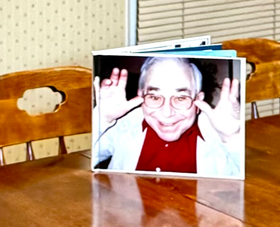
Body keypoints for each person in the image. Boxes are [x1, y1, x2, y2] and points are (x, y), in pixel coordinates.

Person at [92, 56, 243, 177]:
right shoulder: (122, 124)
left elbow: (251, 187)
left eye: (181, 98)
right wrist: (102, 119)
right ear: (140, 96)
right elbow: (84, 164)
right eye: (154, 97)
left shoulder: (220, 134)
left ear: (198, 100)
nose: (167, 113)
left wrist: (231, 137)